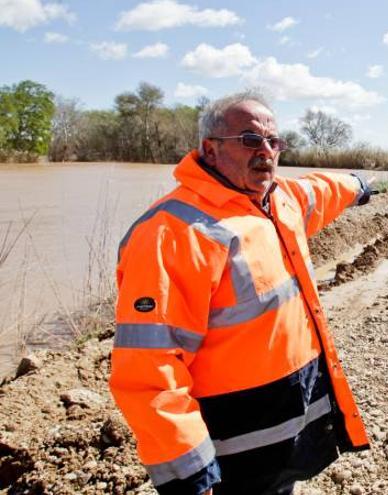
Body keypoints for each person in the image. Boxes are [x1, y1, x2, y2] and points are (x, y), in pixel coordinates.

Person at [109, 91, 371, 495]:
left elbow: (322, 190)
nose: (266, 151)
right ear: (210, 150)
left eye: (274, 141)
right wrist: (190, 474)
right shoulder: (173, 233)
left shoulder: (277, 202)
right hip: (233, 453)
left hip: (285, 437)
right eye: (250, 140)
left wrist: (358, 184)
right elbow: (150, 370)